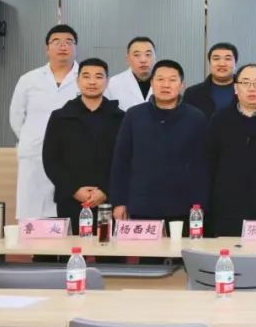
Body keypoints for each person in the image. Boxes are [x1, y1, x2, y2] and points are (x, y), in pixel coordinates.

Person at [109, 60, 209, 224]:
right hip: (142, 204)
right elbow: (121, 161)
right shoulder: (134, 115)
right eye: (160, 79)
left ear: (182, 85)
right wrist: (119, 201)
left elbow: (201, 165)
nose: (166, 85)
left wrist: (200, 204)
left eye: (172, 80)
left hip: (183, 206)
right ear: (152, 83)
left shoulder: (196, 118)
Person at [206, 64, 256, 237]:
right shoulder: (219, 120)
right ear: (236, 88)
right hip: (227, 205)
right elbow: (209, 164)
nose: (252, 88)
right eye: (245, 82)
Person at [9, 24, 80, 220]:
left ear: (76, 48)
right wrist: (32, 137)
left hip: (73, 156)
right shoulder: (29, 79)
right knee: (34, 216)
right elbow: (16, 116)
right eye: (56, 42)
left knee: (68, 216)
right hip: (35, 153)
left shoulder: (86, 78)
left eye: (69, 42)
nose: (63, 46)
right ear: (47, 48)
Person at [42, 58, 125, 225]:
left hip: (108, 200)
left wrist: (106, 191)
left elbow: (125, 161)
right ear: (77, 80)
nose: (92, 82)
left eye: (99, 76)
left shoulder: (120, 117)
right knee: (71, 241)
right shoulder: (60, 117)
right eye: (86, 76)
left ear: (107, 81)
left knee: (108, 241)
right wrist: (74, 190)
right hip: (70, 198)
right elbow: (50, 160)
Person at [183, 42, 239, 118]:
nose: (222, 64)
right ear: (210, 63)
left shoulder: (248, 90)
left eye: (228, 59)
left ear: (235, 63)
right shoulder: (192, 93)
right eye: (216, 59)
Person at [105, 37, 155, 110]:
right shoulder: (112, 84)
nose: (143, 60)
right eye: (137, 55)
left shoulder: (166, 83)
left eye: (148, 54)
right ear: (127, 59)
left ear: (155, 57)